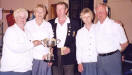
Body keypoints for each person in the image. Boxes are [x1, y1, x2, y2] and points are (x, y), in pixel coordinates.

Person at [0, 8, 41, 75]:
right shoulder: (10, 31)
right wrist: (32, 44)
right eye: (20, 17)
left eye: (24, 17)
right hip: (11, 71)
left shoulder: (28, 32)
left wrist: (44, 54)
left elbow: (31, 49)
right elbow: (16, 48)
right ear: (15, 18)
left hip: (26, 69)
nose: (22, 19)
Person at [95, 3, 128, 75]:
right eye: (97, 11)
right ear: (95, 13)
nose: (99, 13)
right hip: (99, 60)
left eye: (102, 11)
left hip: (113, 59)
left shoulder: (115, 25)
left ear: (107, 12)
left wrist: (116, 53)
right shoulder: (95, 27)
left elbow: (125, 43)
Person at [49, 2, 81, 75]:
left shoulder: (74, 23)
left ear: (66, 10)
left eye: (61, 9)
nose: (59, 11)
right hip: (55, 56)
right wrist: (50, 57)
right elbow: (49, 40)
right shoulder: (50, 23)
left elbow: (78, 41)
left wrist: (70, 49)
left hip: (69, 55)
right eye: (57, 9)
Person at [25, 4, 54, 75]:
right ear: (34, 13)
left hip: (45, 57)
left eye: (42, 12)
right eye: (38, 11)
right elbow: (25, 41)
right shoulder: (28, 24)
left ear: (45, 13)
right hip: (32, 58)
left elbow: (51, 43)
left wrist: (50, 58)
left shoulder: (48, 25)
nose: (40, 14)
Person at [76, 8, 97, 75]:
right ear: (82, 18)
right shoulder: (80, 32)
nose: (86, 19)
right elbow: (78, 48)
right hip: (85, 62)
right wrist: (79, 63)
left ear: (92, 17)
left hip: (97, 61)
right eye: (84, 17)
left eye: (88, 16)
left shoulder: (98, 28)